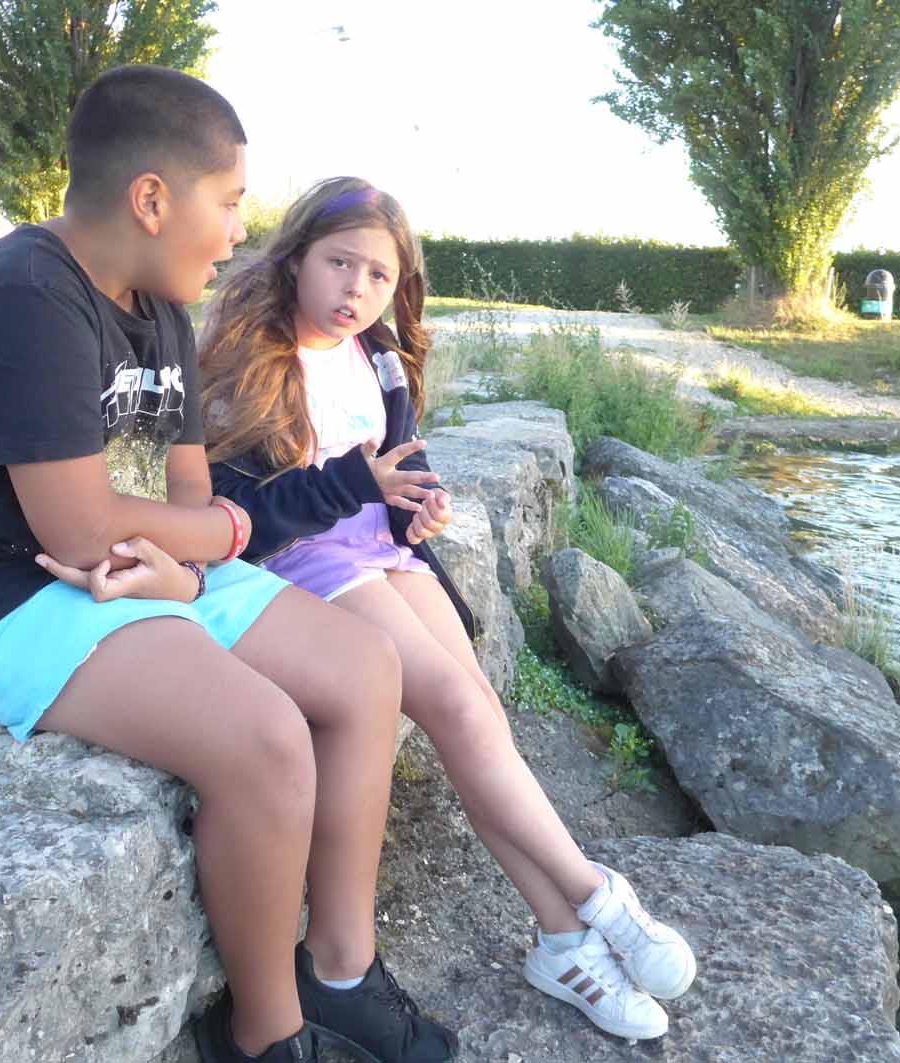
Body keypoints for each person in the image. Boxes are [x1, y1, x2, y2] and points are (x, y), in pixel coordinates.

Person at [0, 68, 456, 1063]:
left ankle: (342, 972)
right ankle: (266, 1035)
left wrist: (191, 568)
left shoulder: (159, 305)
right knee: (265, 738)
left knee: (366, 668)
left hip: (130, 566)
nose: (236, 233)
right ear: (150, 198)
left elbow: (185, 495)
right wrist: (216, 538)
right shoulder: (21, 298)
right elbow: (85, 529)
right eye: (226, 203)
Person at [201, 177, 698, 1042]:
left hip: (387, 554)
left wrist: (416, 510)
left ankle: (561, 939)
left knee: (481, 724)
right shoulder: (256, 359)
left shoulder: (380, 359)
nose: (356, 288)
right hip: (305, 563)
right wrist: (356, 485)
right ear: (297, 259)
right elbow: (235, 520)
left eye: (378, 275)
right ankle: (595, 895)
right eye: (339, 262)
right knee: (463, 712)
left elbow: (402, 470)